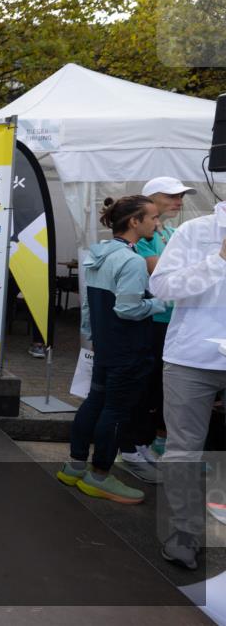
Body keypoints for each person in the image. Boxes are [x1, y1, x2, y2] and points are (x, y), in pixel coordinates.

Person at [56, 195, 164, 503]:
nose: (157, 223)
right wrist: (163, 302)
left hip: (106, 345)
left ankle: (75, 467)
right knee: (116, 412)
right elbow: (129, 309)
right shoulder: (131, 261)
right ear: (134, 221)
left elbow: (90, 305)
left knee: (95, 402)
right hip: (128, 349)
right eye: (153, 218)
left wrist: (92, 335)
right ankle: (100, 476)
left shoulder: (98, 253)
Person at [149, 200, 226, 570]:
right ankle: (185, 532)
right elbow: (162, 287)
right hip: (191, 358)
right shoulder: (195, 231)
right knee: (184, 449)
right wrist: (219, 260)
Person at [132, 176, 196, 463]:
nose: (179, 201)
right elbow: (157, 270)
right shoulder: (144, 235)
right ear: (150, 199)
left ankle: (158, 440)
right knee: (149, 382)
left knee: (167, 385)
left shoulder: (171, 231)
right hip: (153, 319)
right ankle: (138, 444)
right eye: (172, 196)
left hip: (175, 318)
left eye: (181, 196)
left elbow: (188, 270)